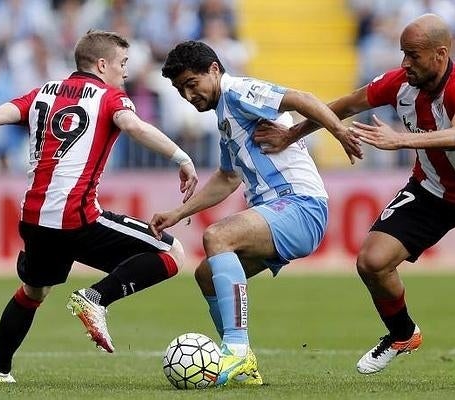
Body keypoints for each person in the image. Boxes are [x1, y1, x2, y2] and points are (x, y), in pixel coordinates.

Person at [0, 30, 198, 383]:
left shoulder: (43, 92)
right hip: (78, 218)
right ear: (101, 65)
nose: (125, 71)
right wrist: (181, 157)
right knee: (171, 252)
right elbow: (133, 126)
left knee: (33, 292)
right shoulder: (110, 97)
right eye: (122, 63)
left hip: (35, 219)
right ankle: (95, 298)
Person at [253, 13, 455, 374]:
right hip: (430, 192)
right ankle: (402, 334)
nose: (405, 63)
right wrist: (292, 135)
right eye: (403, 53)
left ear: (440, 54)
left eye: (413, 55)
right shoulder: (399, 83)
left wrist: (399, 140)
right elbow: (346, 104)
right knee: (372, 261)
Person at [152, 40, 362, 386]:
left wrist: (338, 132)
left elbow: (301, 98)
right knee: (206, 275)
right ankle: (244, 364)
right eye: (180, 90)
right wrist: (178, 212)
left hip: (300, 205)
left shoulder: (238, 91)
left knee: (218, 236)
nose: (188, 96)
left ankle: (235, 349)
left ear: (214, 70)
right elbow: (228, 178)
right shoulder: (225, 116)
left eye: (192, 84)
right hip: (279, 210)